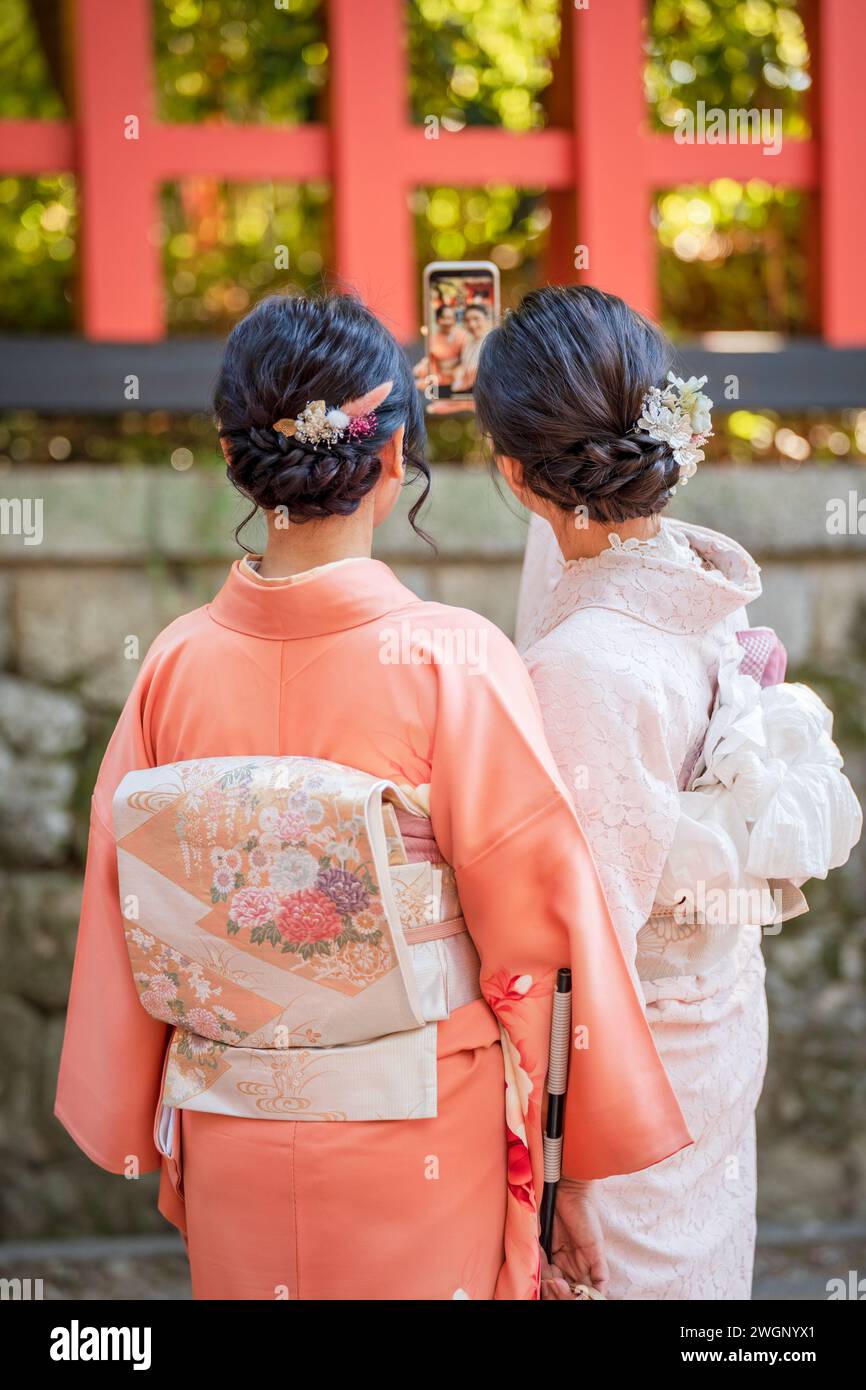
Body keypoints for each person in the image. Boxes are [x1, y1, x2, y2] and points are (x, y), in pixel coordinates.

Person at [55, 291, 690, 1302]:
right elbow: (539, 945)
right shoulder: (452, 659)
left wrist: (144, 1111)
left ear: (232, 457)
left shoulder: (170, 668)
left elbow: (121, 922)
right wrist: (562, 1173)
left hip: (234, 1131)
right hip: (421, 1126)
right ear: (393, 459)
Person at [475, 283, 862, 1300]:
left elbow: (576, 954)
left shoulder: (582, 666)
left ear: (513, 472)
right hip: (711, 1015)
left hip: (624, 1078)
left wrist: (556, 1185)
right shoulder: (696, 587)